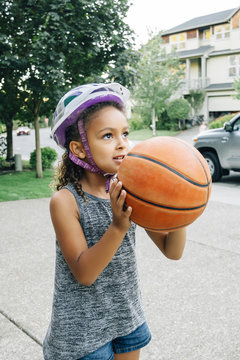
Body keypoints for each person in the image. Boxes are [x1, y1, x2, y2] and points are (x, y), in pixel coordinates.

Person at [43, 83, 186, 360]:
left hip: (126, 317)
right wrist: (118, 226)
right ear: (79, 148)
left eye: (125, 133)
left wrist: (181, 210)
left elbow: (173, 250)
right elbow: (85, 273)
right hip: (82, 331)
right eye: (107, 135)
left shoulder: (135, 192)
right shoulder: (66, 201)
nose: (122, 143)